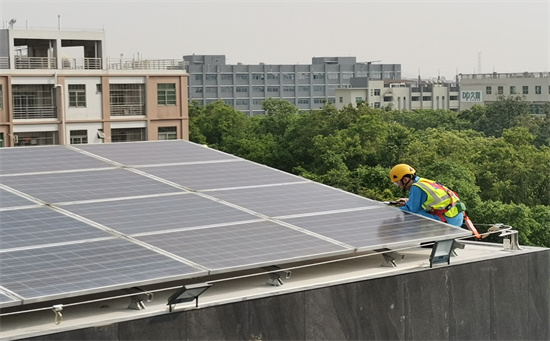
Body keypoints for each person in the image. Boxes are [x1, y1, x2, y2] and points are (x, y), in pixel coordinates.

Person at [389, 163, 465, 227]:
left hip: (448, 220)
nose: (398, 186)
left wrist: (391, 211)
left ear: (405, 180)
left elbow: (412, 210)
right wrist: (407, 202)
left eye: (398, 183)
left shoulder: (416, 187)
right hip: (455, 216)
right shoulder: (423, 181)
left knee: (411, 215)